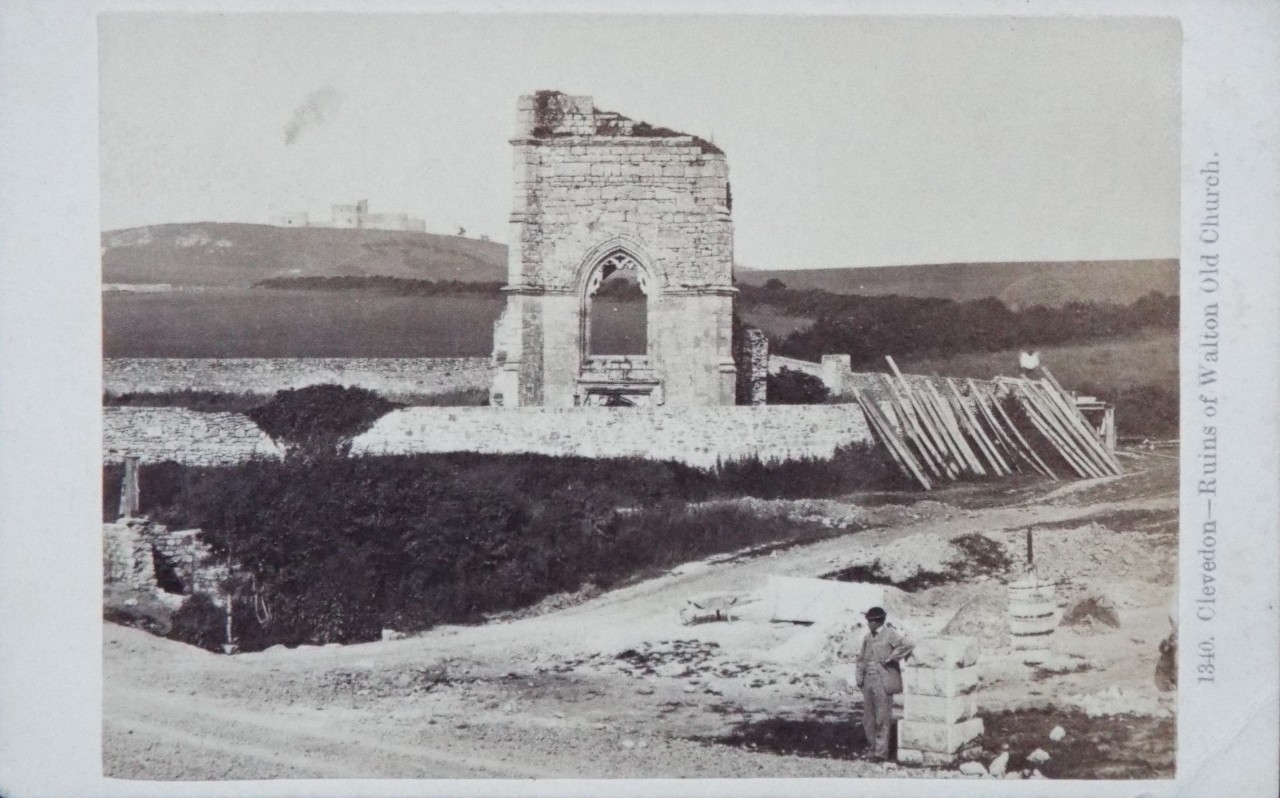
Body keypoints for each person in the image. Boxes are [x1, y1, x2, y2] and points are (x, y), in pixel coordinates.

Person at [855, 605, 914, 762]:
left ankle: (880, 754)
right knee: (868, 719)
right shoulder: (867, 638)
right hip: (868, 681)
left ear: (878, 621)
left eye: (870, 621)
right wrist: (859, 678)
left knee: (882, 719)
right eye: (867, 620)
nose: (868, 623)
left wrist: (891, 657)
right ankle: (872, 749)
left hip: (884, 682)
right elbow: (861, 659)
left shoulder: (890, 635)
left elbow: (908, 644)